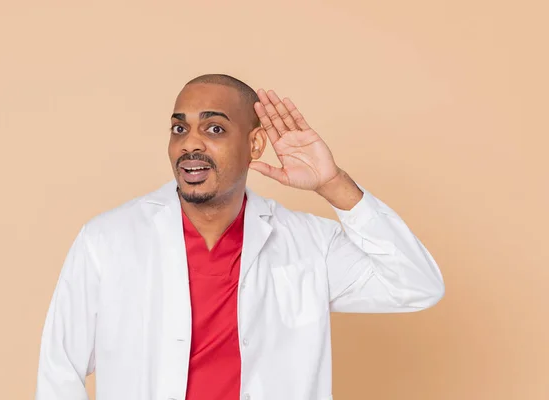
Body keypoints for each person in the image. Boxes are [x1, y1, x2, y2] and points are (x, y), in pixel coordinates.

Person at [35, 74, 445, 400]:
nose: (190, 143)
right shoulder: (108, 240)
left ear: (255, 144)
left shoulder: (307, 245)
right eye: (179, 128)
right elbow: (60, 368)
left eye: (214, 128)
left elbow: (417, 286)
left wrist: (334, 185)